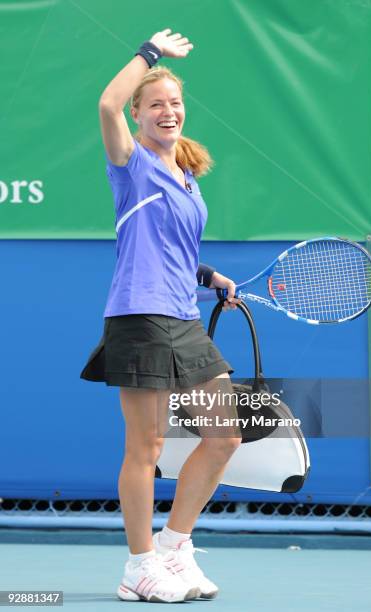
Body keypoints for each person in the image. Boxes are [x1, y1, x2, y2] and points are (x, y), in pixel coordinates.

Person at [80, 28, 242, 603]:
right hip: (138, 318)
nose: (168, 111)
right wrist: (150, 53)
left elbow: (172, 248)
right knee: (145, 450)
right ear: (138, 115)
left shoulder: (187, 179)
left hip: (183, 317)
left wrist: (208, 277)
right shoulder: (131, 165)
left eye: (174, 103)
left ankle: (175, 547)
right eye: (156, 104)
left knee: (224, 434)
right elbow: (104, 103)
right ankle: (139, 565)